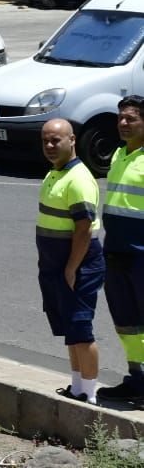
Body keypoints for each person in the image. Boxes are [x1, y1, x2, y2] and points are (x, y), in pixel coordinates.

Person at [36, 118, 104, 404]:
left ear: (72, 140)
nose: (50, 146)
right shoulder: (56, 173)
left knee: (81, 328)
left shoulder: (78, 179)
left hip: (77, 265)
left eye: (56, 140)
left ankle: (90, 395)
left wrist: (72, 269)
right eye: (45, 141)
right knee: (70, 329)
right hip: (56, 265)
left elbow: (83, 229)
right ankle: (77, 388)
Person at [100, 97, 144, 404]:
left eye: (131, 118)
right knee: (127, 323)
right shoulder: (119, 153)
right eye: (121, 118)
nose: (123, 123)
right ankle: (137, 380)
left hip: (141, 254)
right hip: (116, 250)